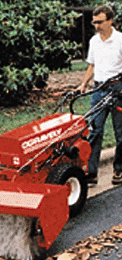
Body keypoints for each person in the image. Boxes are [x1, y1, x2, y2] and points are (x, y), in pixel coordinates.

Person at [78, 5, 122, 185]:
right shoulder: (94, 41)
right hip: (98, 91)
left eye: (100, 22)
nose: (96, 26)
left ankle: (119, 170)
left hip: (118, 89)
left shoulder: (120, 40)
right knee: (95, 131)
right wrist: (83, 84)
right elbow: (92, 65)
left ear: (110, 20)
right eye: (94, 22)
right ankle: (92, 172)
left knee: (121, 134)